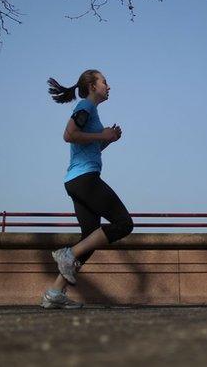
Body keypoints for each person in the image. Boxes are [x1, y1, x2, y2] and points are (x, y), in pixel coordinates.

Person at [41, 69, 134, 309]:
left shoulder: (91, 111)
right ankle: (67, 254)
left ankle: (54, 292)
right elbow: (69, 135)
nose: (109, 86)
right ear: (93, 86)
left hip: (77, 179)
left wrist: (107, 140)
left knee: (90, 237)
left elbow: (88, 147)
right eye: (105, 82)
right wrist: (101, 134)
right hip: (85, 180)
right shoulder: (86, 106)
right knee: (123, 223)